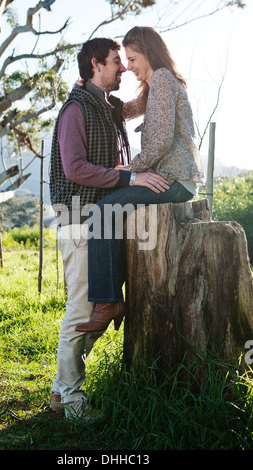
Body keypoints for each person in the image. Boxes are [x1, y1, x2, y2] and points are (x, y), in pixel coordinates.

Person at [49, 37, 164, 420]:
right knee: (83, 307)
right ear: (96, 65)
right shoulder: (75, 111)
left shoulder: (109, 106)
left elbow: (139, 105)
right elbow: (75, 168)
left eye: (125, 62)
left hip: (104, 223)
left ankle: (60, 388)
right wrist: (131, 177)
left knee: (104, 304)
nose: (122, 68)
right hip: (79, 221)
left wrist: (156, 76)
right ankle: (71, 398)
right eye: (117, 61)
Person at [75, 26, 204, 334]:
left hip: (174, 179)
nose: (128, 67)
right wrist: (89, 92)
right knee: (110, 214)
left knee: (102, 212)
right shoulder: (160, 83)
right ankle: (111, 295)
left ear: (149, 53)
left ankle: (108, 302)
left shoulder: (161, 78)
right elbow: (128, 111)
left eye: (132, 59)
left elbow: (159, 139)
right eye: (124, 60)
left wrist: (130, 173)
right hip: (178, 179)